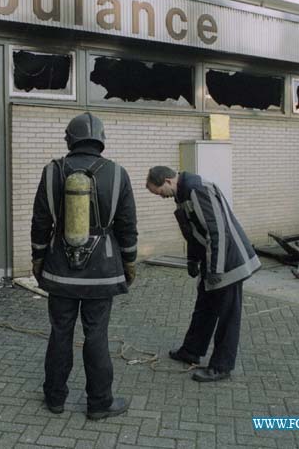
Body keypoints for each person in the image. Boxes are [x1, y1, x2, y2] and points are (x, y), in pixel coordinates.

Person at [31, 112, 138, 420]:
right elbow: (127, 227)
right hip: (102, 272)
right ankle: (100, 403)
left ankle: (54, 398)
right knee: (97, 336)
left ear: (70, 139)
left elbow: (40, 223)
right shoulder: (118, 174)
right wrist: (128, 264)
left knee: (60, 332)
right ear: (101, 141)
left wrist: (39, 259)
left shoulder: (52, 172)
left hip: (59, 269)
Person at [145, 166, 261, 382]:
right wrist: (193, 260)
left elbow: (218, 232)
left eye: (159, 192)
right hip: (214, 261)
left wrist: (216, 270)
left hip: (229, 263)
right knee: (204, 308)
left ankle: (221, 366)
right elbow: (194, 233)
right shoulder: (183, 194)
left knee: (227, 315)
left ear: (169, 181)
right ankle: (191, 351)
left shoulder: (198, 191)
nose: (160, 197)